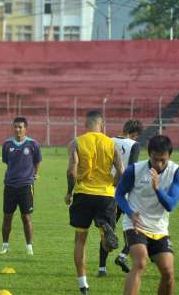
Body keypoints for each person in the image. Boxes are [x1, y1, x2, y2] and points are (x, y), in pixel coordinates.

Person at [116, 135, 179, 295]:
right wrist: (130, 213)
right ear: (149, 155)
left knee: (168, 271)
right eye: (155, 159)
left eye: (163, 160)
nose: (159, 164)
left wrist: (157, 188)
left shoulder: (177, 172)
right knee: (140, 263)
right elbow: (119, 194)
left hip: (159, 228)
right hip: (135, 224)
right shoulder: (135, 170)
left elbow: (170, 205)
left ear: (169, 155)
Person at [65, 110, 124, 294]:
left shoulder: (77, 142)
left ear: (85, 124)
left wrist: (69, 192)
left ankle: (83, 285)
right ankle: (104, 228)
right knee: (107, 243)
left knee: (80, 240)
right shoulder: (111, 143)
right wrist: (112, 185)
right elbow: (121, 171)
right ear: (102, 124)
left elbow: (72, 170)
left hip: (83, 194)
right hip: (106, 195)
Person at [97, 119, 143, 276]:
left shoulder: (108, 141)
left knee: (108, 231)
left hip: (108, 191)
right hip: (126, 195)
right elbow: (130, 170)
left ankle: (101, 268)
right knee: (137, 229)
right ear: (135, 134)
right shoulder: (134, 145)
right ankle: (123, 256)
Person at [0, 117, 41, 256]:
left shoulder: (33, 144)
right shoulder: (7, 144)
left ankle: (29, 247)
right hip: (10, 185)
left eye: (20, 127)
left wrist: (35, 173)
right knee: (7, 217)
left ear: (25, 128)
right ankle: (5, 246)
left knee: (26, 217)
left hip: (26, 186)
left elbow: (37, 161)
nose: (17, 129)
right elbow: (6, 161)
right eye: (15, 127)